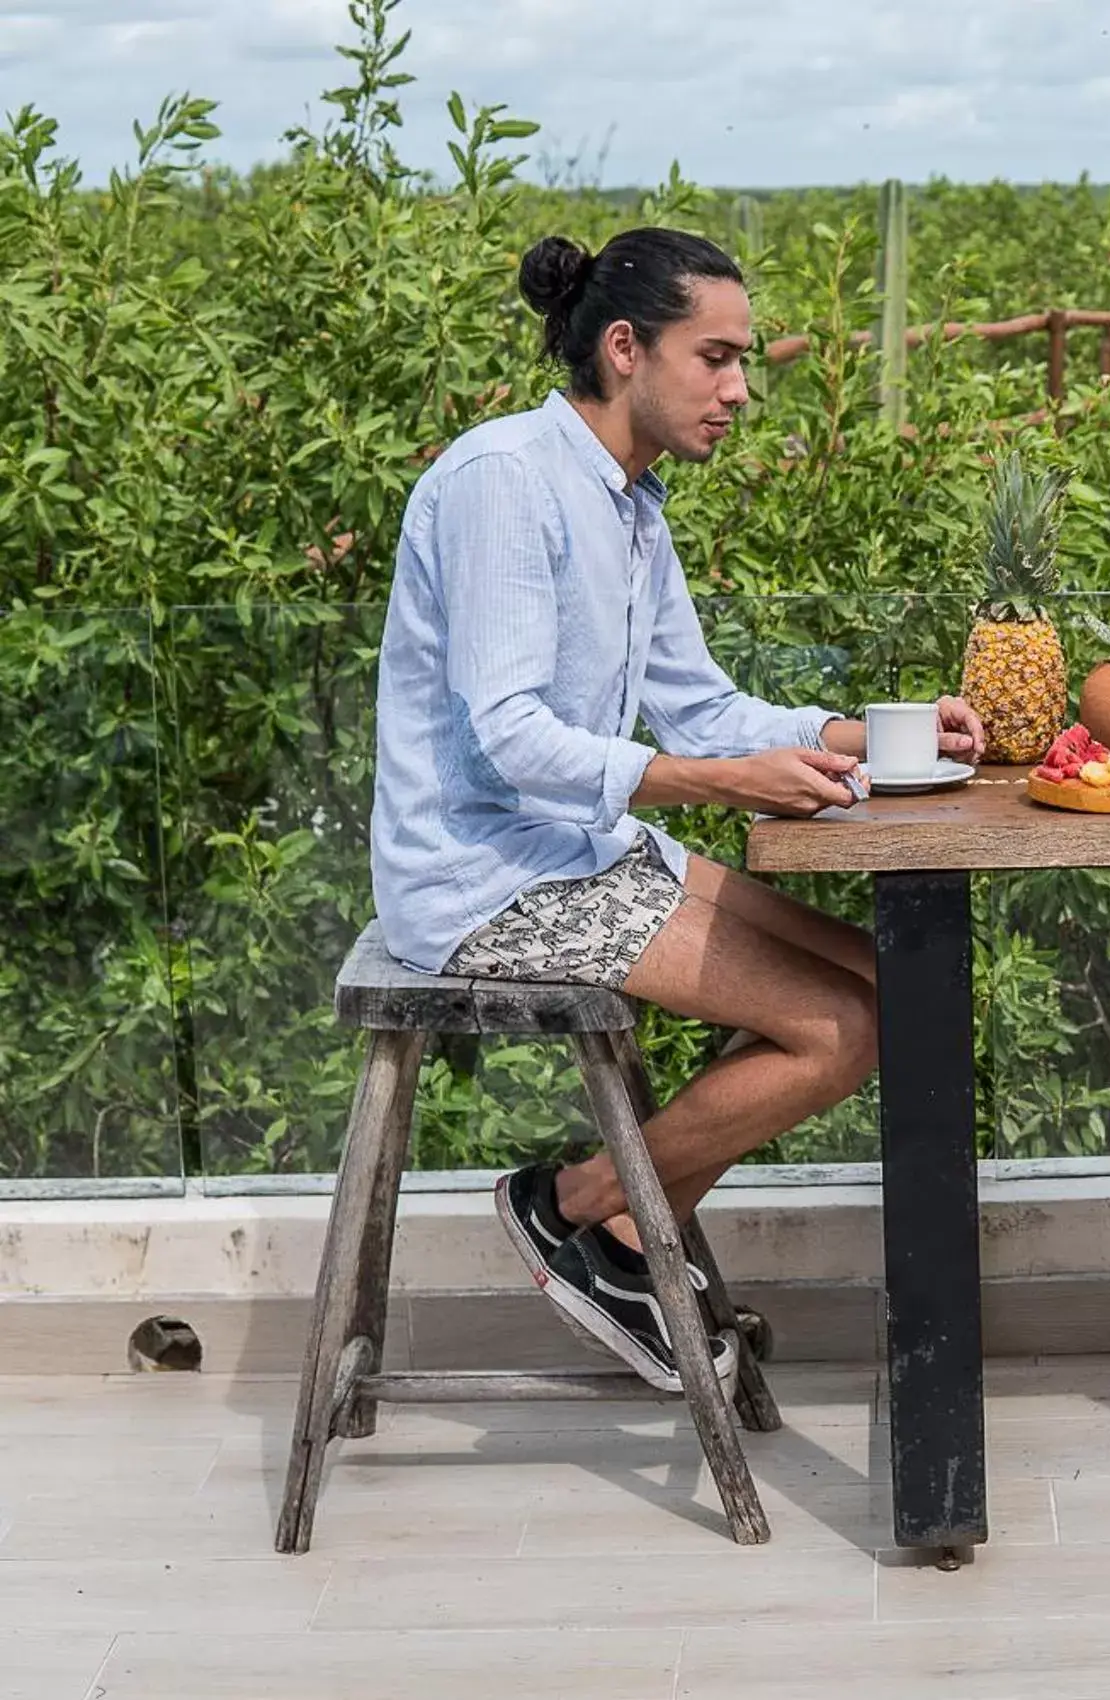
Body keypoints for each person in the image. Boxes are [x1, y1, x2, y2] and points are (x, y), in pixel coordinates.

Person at [369, 227, 984, 1388]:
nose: (741, 388)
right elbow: (506, 738)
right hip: (482, 878)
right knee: (845, 1028)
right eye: (716, 357)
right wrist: (716, 784)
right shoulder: (506, 480)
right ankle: (582, 1206)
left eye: (741, 360)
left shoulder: (632, 507)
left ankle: (610, 1226)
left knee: (890, 980)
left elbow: (704, 708)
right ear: (623, 349)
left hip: (583, 851)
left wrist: (878, 730)